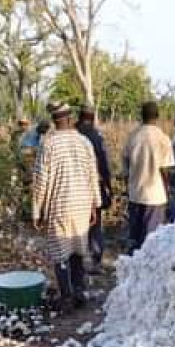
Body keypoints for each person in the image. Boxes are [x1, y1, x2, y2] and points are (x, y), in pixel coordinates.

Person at [31, 102, 101, 309]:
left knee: (60, 250)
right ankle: (79, 292)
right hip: (82, 204)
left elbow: (40, 180)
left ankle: (67, 296)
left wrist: (37, 211)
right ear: (70, 119)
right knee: (78, 248)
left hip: (60, 205)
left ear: (54, 121)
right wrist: (94, 206)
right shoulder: (85, 142)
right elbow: (92, 175)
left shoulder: (48, 144)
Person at [123, 100, 175, 250]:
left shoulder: (133, 136)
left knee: (135, 236)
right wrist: (167, 190)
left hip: (135, 193)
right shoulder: (163, 138)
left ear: (142, 116)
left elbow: (126, 164)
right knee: (151, 239)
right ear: (157, 116)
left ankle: (132, 266)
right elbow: (165, 170)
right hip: (155, 195)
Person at [76, 104, 113, 271]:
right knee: (95, 222)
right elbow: (103, 163)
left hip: (73, 187)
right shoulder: (96, 136)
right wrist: (108, 184)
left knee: (77, 224)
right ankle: (95, 259)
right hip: (92, 186)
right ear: (91, 117)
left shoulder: (71, 133)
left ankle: (78, 262)